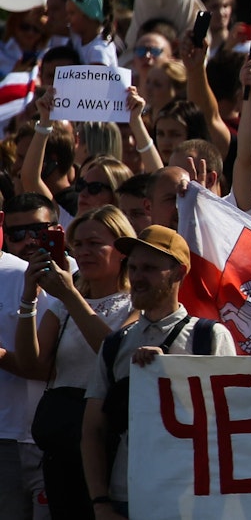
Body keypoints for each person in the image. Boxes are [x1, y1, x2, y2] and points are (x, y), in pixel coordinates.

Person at [82, 226, 237, 518]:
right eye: (133, 267)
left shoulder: (209, 337)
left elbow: (231, 421)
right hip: (128, 495)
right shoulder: (116, 344)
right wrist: (100, 502)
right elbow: (93, 430)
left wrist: (170, 373)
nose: (138, 277)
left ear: (179, 273)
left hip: (194, 498)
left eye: (150, 269)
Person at [10, 206, 137, 519]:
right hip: (64, 443)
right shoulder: (63, 304)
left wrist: (69, 295)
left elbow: (115, 357)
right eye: (78, 244)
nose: (84, 252)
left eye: (95, 243)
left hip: (112, 446)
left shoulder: (137, 304)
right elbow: (32, 366)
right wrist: (29, 296)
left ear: (122, 250)